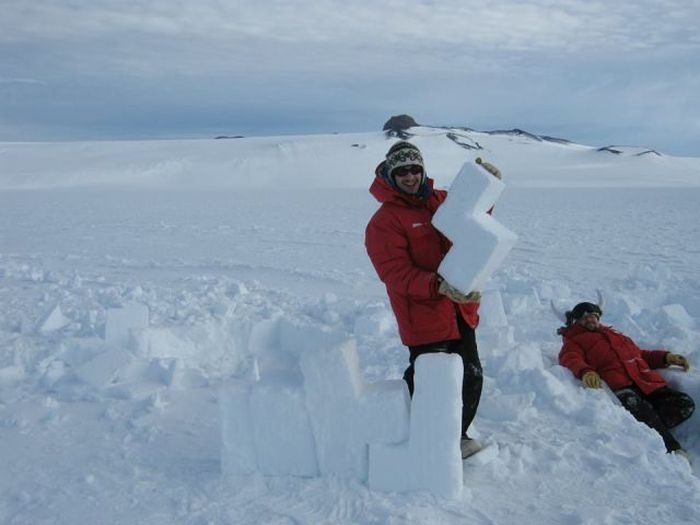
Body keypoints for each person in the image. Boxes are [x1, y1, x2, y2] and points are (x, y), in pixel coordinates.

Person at [364, 140, 501, 459]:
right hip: (423, 314)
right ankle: (418, 434)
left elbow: (473, 223)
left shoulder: (441, 200)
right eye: (402, 172)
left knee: (470, 375)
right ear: (390, 175)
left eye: (415, 169)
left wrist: (487, 190)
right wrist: (436, 284)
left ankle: (456, 436)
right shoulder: (383, 222)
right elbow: (394, 272)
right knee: (428, 381)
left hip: (459, 308)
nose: (411, 177)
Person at [558, 301, 695, 455]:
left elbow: (640, 355)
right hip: (621, 387)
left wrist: (666, 357)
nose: (590, 320)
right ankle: (672, 448)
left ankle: (648, 428)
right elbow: (570, 358)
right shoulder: (574, 340)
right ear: (577, 321)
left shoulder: (616, 335)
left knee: (684, 404)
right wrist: (585, 371)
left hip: (644, 382)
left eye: (593, 316)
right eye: (585, 318)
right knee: (642, 410)